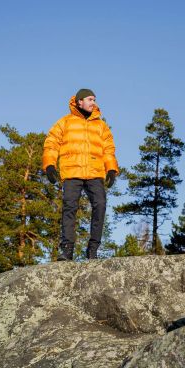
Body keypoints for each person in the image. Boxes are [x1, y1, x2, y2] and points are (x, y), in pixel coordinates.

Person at [42, 88, 119, 261]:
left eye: (94, 99)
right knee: (69, 208)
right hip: (72, 172)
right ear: (79, 102)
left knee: (100, 204)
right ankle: (67, 250)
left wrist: (111, 169)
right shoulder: (65, 122)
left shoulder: (101, 125)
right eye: (90, 99)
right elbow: (51, 143)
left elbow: (108, 148)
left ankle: (93, 249)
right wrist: (49, 165)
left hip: (94, 172)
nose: (94, 103)